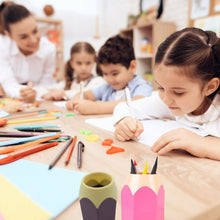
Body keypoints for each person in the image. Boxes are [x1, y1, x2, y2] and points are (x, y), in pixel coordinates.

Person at [113, 27, 220, 161]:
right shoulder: (168, 100)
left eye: (178, 92)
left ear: (210, 87)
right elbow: (124, 107)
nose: (166, 99)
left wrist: (203, 145)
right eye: (161, 87)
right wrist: (124, 122)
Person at [66, 34, 152, 114]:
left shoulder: (141, 86)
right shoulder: (108, 87)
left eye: (114, 74)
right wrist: (76, 100)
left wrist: (96, 107)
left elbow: (137, 103)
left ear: (132, 67)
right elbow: (86, 95)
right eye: (105, 74)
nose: (109, 79)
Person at [0, 2, 56, 102]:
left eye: (35, 31)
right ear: (10, 36)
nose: (33, 40)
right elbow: (8, 82)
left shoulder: (49, 49)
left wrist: (36, 93)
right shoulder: (3, 46)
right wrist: (23, 92)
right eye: (24, 37)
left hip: (37, 101)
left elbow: (45, 83)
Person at [41, 42, 105, 101]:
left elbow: (86, 94)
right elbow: (40, 89)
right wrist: (48, 94)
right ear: (71, 63)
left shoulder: (98, 81)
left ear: (94, 62)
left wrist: (63, 94)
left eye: (88, 63)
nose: (83, 68)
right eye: (79, 63)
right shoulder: (70, 82)